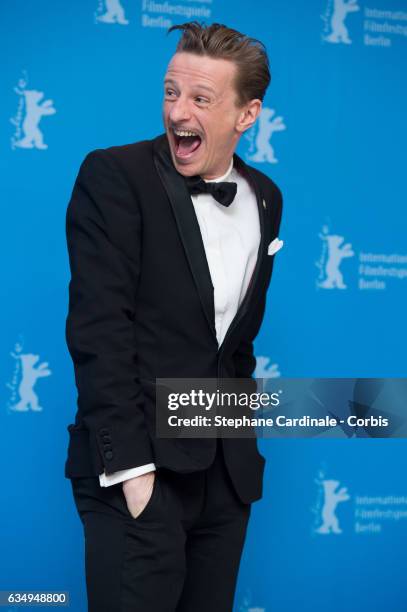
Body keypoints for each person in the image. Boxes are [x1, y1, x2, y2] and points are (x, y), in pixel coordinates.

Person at [65, 21, 283, 612]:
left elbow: (235, 346)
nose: (177, 110)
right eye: (170, 91)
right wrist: (135, 478)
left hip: (225, 480)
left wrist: (240, 461)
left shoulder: (265, 196)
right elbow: (99, 332)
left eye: (201, 99)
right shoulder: (116, 177)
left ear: (247, 114)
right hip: (141, 475)